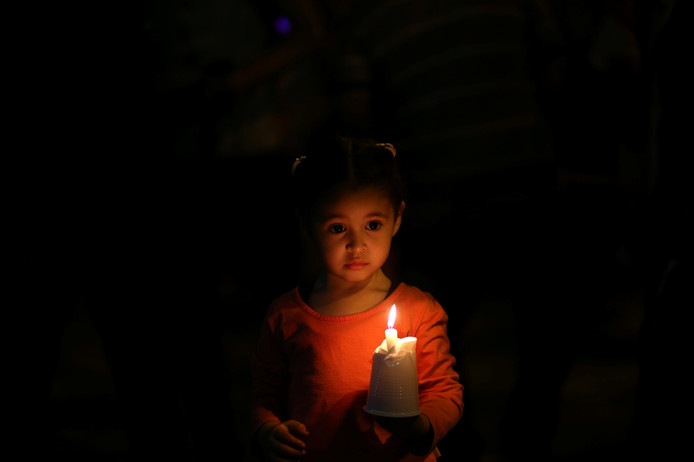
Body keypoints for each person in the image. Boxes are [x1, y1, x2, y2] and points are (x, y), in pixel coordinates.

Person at [250, 137, 463, 462]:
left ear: (398, 217)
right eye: (338, 228)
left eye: (372, 224)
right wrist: (268, 429)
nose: (357, 244)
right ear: (307, 223)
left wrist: (419, 427)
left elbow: (444, 391)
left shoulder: (420, 311)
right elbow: (265, 394)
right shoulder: (286, 315)